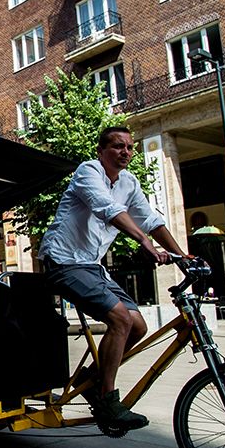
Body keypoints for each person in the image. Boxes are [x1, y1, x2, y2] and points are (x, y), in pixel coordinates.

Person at [39, 126, 190, 431]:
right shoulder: (88, 172)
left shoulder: (129, 182)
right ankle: (107, 399)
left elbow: (151, 220)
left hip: (91, 266)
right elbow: (108, 208)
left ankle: (90, 379)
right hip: (64, 262)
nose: (126, 152)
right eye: (118, 146)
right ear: (102, 151)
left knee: (137, 326)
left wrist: (183, 257)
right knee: (120, 319)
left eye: (130, 148)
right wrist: (143, 242)